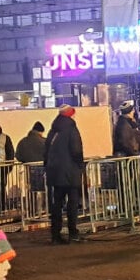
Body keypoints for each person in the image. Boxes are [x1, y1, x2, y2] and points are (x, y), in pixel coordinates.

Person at [45, 104, 85, 244]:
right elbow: (76, 150)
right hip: (70, 172)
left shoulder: (53, 130)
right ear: (70, 115)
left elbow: (46, 152)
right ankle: (73, 233)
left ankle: (56, 235)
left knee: (57, 204)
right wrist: (80, 165)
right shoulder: (71, 129)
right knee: (72, 203)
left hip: (55, 173)